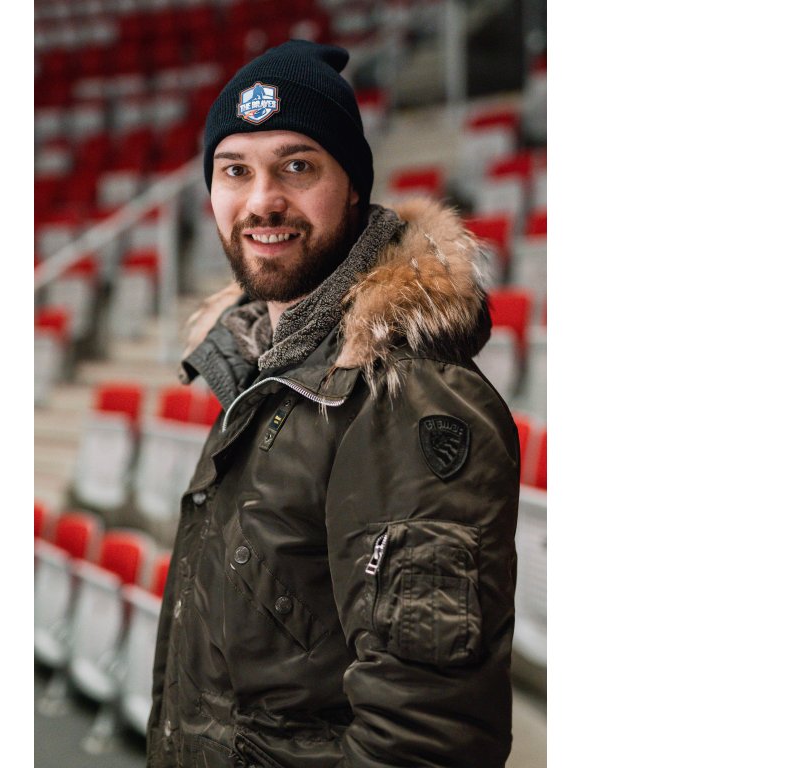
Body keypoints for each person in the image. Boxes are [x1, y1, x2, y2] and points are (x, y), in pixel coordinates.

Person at [147, 39, 520, 768]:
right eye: (235, 170)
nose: (262, 201)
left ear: (352, 186)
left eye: (297, 166)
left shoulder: (406, 392)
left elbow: (426, 738)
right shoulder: (261, 368)